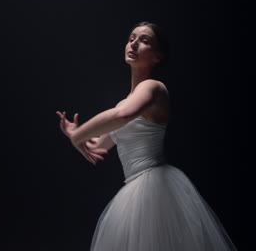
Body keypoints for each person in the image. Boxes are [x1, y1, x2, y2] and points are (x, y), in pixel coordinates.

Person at [57, 21, 237, 251]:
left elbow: (122, 115)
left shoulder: (154, 88)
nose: (133, 43)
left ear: (158, 56)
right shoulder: (126, 100)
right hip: (134, 190)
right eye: (131, 37)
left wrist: (79, 135)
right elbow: (99, 144)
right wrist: (76, 134)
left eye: (144, 40)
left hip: (155, 187)